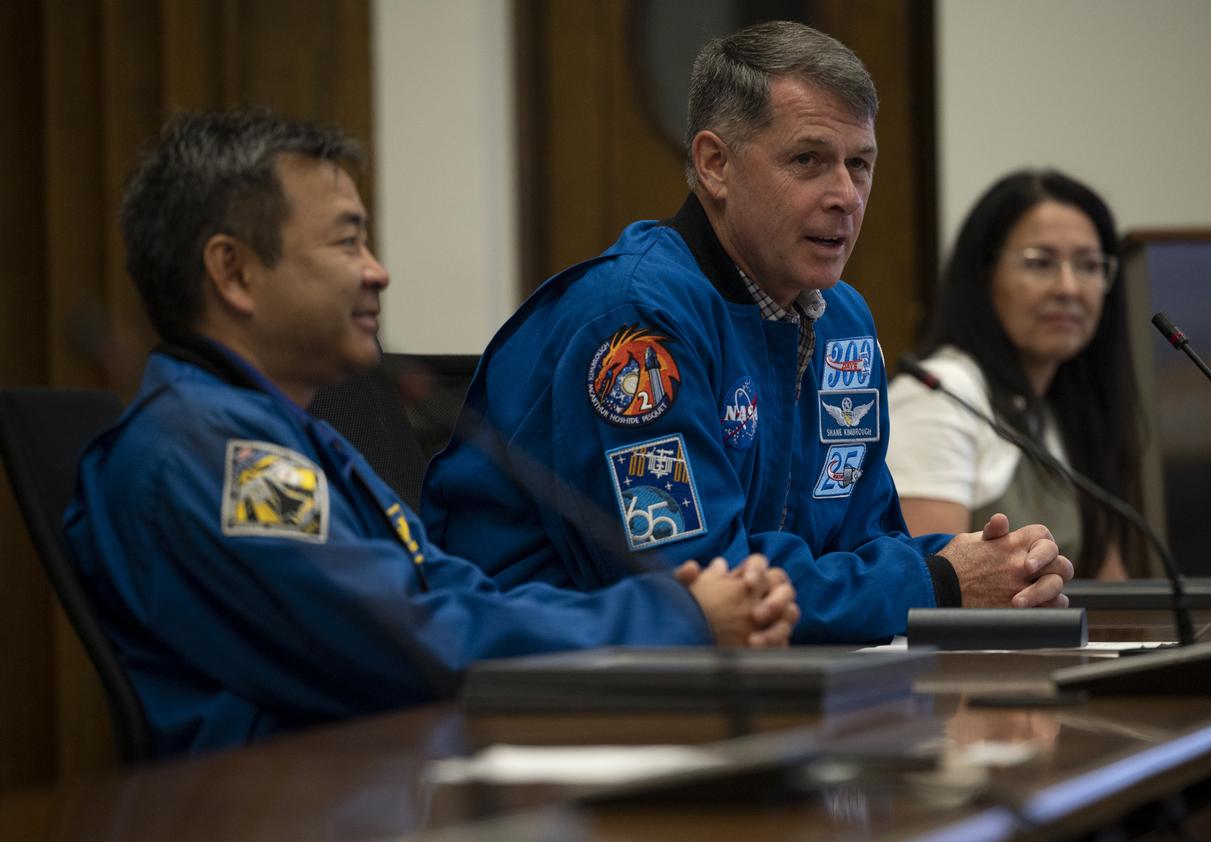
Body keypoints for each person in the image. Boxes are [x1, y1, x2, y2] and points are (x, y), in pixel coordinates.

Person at [63, 111, 798, 756]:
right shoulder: (217, 454)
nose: (377, 272)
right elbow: (416, 643)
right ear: (235, 271)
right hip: (283, 813)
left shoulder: (279, 431)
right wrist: (676, 616)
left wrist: (676, 611)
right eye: (347, 243)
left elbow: (455, 592)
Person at [420, 21, 1073, 644]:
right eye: (808, 159)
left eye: (860, 164)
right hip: (550, 693)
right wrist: (937, 581)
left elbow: (867, 547)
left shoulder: (843, 321)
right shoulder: (635, 325)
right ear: (714, 165)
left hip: (761, 685)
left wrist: (994, 568)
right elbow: (706, 592)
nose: (845, 194)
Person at [887, 170, 1140, 580]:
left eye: (1089, 265)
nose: (1069, 288)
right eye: (1040, 263)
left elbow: (1117, 592)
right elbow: (932, 591)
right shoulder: (940, 393)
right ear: (984, 274)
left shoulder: (1064, 408)